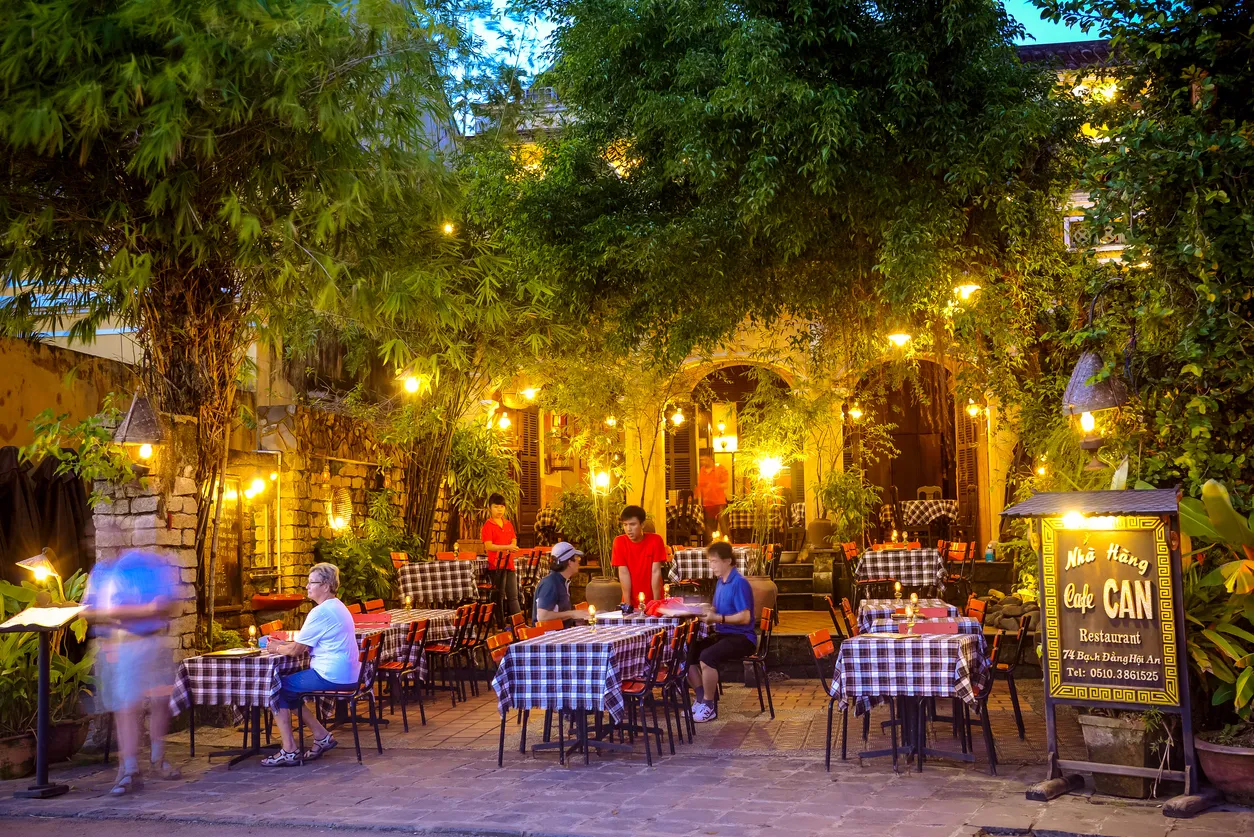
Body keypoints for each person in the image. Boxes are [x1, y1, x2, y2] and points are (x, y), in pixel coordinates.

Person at [83, 548, 181, 795]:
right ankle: (130, 769)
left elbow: (167, 603)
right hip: (122, 645)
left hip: (154, 641)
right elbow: (88, 610)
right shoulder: (102, 572)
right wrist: (142, 610)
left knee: (160, 701)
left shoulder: (148, 565)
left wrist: (127, 611)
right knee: (127, 707)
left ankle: (157, 759)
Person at [262, 563, 360, 766]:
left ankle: (289, 749)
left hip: (332, 674)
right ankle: (321, 735)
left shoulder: (320, 612)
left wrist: (277, 648)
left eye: (311, 582)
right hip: (348, 673)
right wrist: (285, 645)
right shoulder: (338, 606)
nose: (307, 586)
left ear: (325, 586)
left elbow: (296, 650)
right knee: (292, 690)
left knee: (278, 688)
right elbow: (303, 644)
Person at [686, 541, 756, 723]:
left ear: (727, 561)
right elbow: (718, 609)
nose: (712, 566)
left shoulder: (739, 583)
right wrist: (704, 610)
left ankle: (710, 706)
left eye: (715, 561)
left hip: (742, 637)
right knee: (688, 651)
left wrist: (718, 619)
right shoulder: (720, 582)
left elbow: (745, 617)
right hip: (724, 633)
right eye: (710, 562)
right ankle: (701, 697)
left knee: (708, 656)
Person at [611, 504, 666, 606]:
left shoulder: (655, 540)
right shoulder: (619, 542)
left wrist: (656, 602)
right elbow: (623, 574)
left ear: (642, 524)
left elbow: (656, 572)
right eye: (625, 525)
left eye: (632, 524)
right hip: (630, 598)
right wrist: (627, 605)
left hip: (654, 597)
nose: (628, 529)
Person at [481, 492, 523, 624]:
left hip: (509, 563)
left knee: (513, 596)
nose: (499, 510)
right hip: (496, 565)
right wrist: (507, 547)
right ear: (489, 508)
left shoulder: (508, 524)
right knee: (499, 596)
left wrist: (512, 546)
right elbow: (489, 546)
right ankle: (501, 624)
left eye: (502, 507)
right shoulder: (487, 526)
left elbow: (514, 539)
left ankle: (519, 624)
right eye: (496, 507)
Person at [533, 541, 590, 627]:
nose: (579, 561)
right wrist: (572, 614)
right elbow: (542, 616)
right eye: (577, 558)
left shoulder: (561, 581)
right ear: (569, 562)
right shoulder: (550, 583)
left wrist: (574, 619)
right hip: (550, 637)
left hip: (561, 633)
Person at [696, 452, 729, 536]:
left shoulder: (720, 469)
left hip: (719, 502)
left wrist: (714, 485)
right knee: (709, 528)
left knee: (723, 526)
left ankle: (728, 544)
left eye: (704, 459)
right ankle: (711, 546)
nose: (702, 461)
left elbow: (726, 485)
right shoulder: (702, 470)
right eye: (701, 460)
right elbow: (700, 486)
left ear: (710, 458)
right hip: (707, 504)